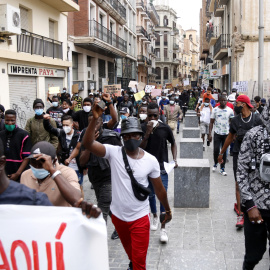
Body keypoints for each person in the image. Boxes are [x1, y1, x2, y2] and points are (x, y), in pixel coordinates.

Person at [82, 106, 172, 270]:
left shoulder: (150, 161)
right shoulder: (113, 152)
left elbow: (159, 190)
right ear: (122, 137)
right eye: (127, 135)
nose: (131, 138)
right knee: (131, 255)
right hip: (118, 217)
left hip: (139, 218)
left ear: (141, 135)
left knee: (139, 263)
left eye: (135, 135)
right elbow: (87, 143)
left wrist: (167, 210)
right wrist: (94, 119)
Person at [218, 95, 262, 228]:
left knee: (255, 182)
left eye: (237, 103)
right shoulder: (236, 121)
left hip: (255, 156)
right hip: (238, 154)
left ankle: (255, 208)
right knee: (239, 183)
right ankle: (241, 214)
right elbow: (230, 137)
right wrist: (221, 154)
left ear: (243, 104)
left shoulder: (256, 119)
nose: (235, 105)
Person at [236, 102, 270, 269]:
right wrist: (249, 205)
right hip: (257, 208)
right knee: (253, 256)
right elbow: (241, 171)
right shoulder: (254, 135)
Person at [79, 113, 122, 239]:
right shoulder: (85, 136)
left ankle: (97, 239)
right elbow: (82, 161)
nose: (94, 126)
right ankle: (121, 227)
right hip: (95, 178)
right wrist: (90, 144)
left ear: (102, 122)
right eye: (91, 124)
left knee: (102, 208)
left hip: (109, 178)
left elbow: (121, 158)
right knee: (107, 206)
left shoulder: (111, 136)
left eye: (96, 123)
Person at [141, 102, 177, 243]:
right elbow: (140, 148)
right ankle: (154, 216)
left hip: (162, 168)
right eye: (149, 115)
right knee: (150, 195)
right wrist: (147, 133)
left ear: (159, 113)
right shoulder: (142, 128)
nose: (152, 118)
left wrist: (174, 159)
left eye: (155, 115)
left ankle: (163, 228)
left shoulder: (164, 127)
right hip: (146, 169)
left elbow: (173, 143)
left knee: (162, 197)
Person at [21, 141, 82, 207]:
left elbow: (77, 199)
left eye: (42, 162)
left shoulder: (67, 172)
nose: (37, 167)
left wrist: (52, 171)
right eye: (33, 162)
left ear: (54, 161)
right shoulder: (25, 175)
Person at [43, 114, 83, 185]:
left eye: (67, 125)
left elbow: (81, 150)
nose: (65, 127)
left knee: (78, 187)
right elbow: (49, 128)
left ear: (72, 124)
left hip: (76, 166)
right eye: (63, 125)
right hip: (63, 165)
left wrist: (85, 167)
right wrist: (46, 120)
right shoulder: (61, 133)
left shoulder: (78, 135)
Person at [0, 109, 32, 182]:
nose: (10, 123)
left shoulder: (24, 135)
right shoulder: (1, 135)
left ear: (15, 120)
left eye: (12, 120)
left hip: (20, 174)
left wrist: (17, 174)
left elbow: (26, 157)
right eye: (7, 120)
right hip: (4, 174)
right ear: (4, 120)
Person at [208, 95, 234, 176]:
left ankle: (222, 168)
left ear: (227, 101)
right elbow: (211, 122)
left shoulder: (230, 110)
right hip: (217, 133)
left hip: (226, 134)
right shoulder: (215, 110)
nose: (223, 102)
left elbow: (232, 123)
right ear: (219, 101)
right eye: (222, 100)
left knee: (224, 152)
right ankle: (215, 163)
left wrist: (233, 135)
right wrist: (209, 134)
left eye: (225, 100)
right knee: (216, 150)